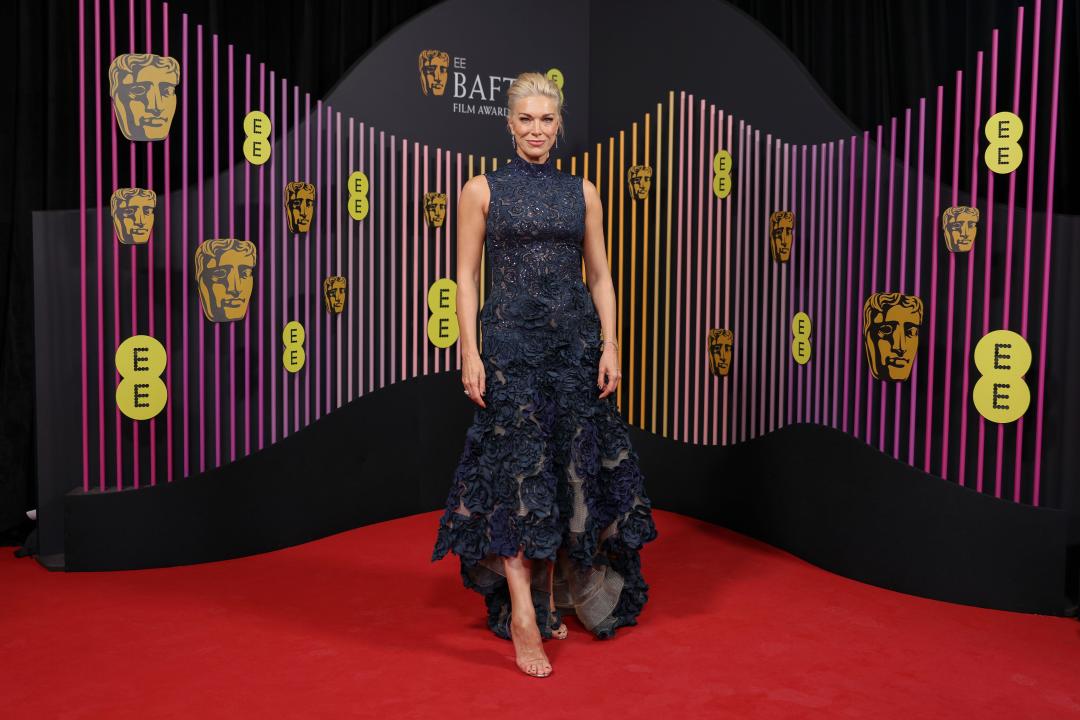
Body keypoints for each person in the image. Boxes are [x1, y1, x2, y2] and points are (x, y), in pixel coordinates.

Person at [430, 72, 659, 678]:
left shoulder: (582, 191)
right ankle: (525, 617)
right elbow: (466, 278)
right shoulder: (480, 189)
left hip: (575, 350)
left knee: (562, 472)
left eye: (545, 119)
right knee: (514, 478)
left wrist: (611, 344)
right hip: (510, 350)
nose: (536, 129)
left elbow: (601, 276)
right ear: (509, 125)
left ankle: (552, 592)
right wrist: (469, 352)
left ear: (559, 126)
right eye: (524, 119)